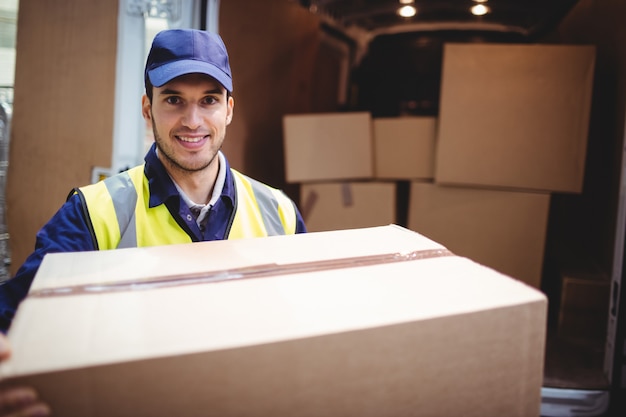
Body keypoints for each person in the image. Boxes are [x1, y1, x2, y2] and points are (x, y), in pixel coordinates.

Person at [0, 28, 307, 334]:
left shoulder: (279, 213)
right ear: (147, 109)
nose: (192, 121)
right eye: (174, 100)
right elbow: (16, 317)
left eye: (208, 100)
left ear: (228, 110)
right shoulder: (93, 213)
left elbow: (306, 315)